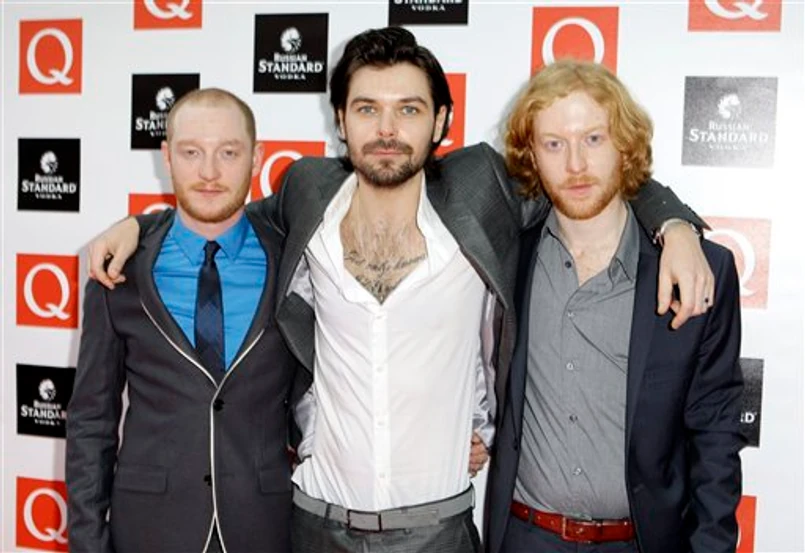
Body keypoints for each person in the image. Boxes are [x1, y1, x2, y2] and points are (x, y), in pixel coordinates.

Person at [85, 28, 714, 553]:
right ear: (340, 120)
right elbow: (217, 210)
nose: (387, 129)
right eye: (367, 109)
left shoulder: (481, 190)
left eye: (409, 109)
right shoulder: (307, 192)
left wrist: (675, 226)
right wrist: (140, 226)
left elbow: (583, 177)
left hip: (439, 532)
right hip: (315, 525)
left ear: (441, 120)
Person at [485, 60, 744, 553]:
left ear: (624, 144)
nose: (575, 164)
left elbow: (715, 430)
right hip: (525, 538)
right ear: (531, 155)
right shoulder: (506, 254)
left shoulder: (699, 272)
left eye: (593, 139)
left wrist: (677, 226)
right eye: (554, 144)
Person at [66, 88, 299, 553]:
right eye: (192, 152)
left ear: (256, 158)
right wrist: (88, 543)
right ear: (167, 156)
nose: (209, 172)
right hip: (149, 529)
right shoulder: (119, 269)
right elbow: (92, 419)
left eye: (228, 153)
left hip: (264, 528)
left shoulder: (294, 260)